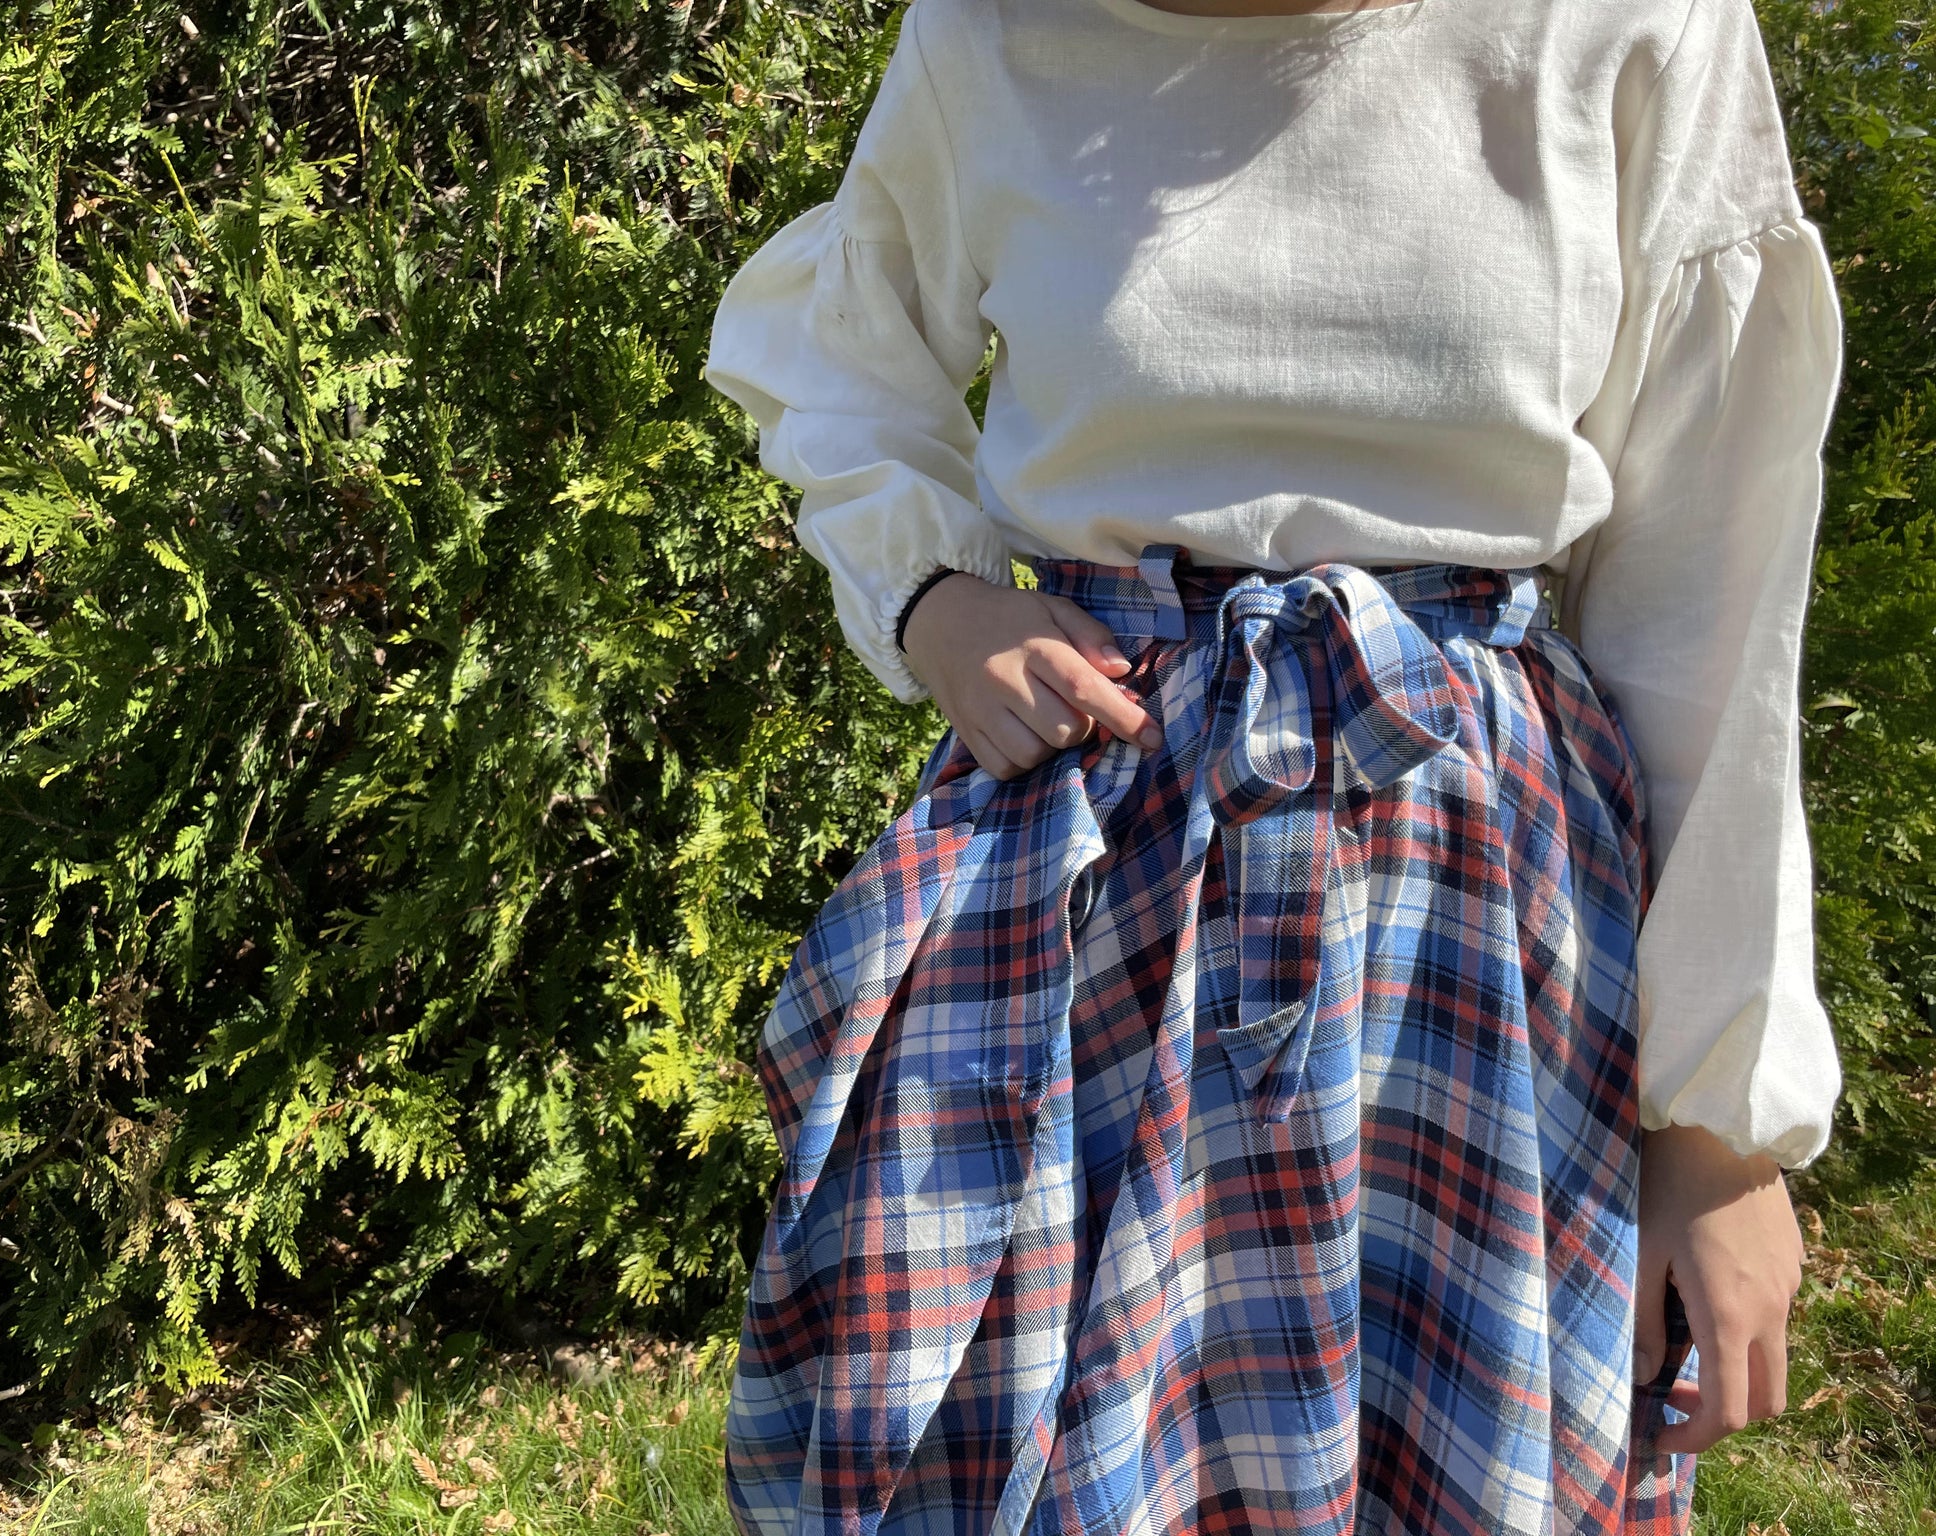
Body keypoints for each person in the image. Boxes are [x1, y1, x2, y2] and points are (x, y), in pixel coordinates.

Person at [701, 0, 1844, 1530]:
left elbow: (1715, 585)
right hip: (1090, 871)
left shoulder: (1624, 26)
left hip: (1483, 920)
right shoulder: (991, 32)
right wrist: (933, 595)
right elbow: (844, 338)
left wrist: (1716, 1135)